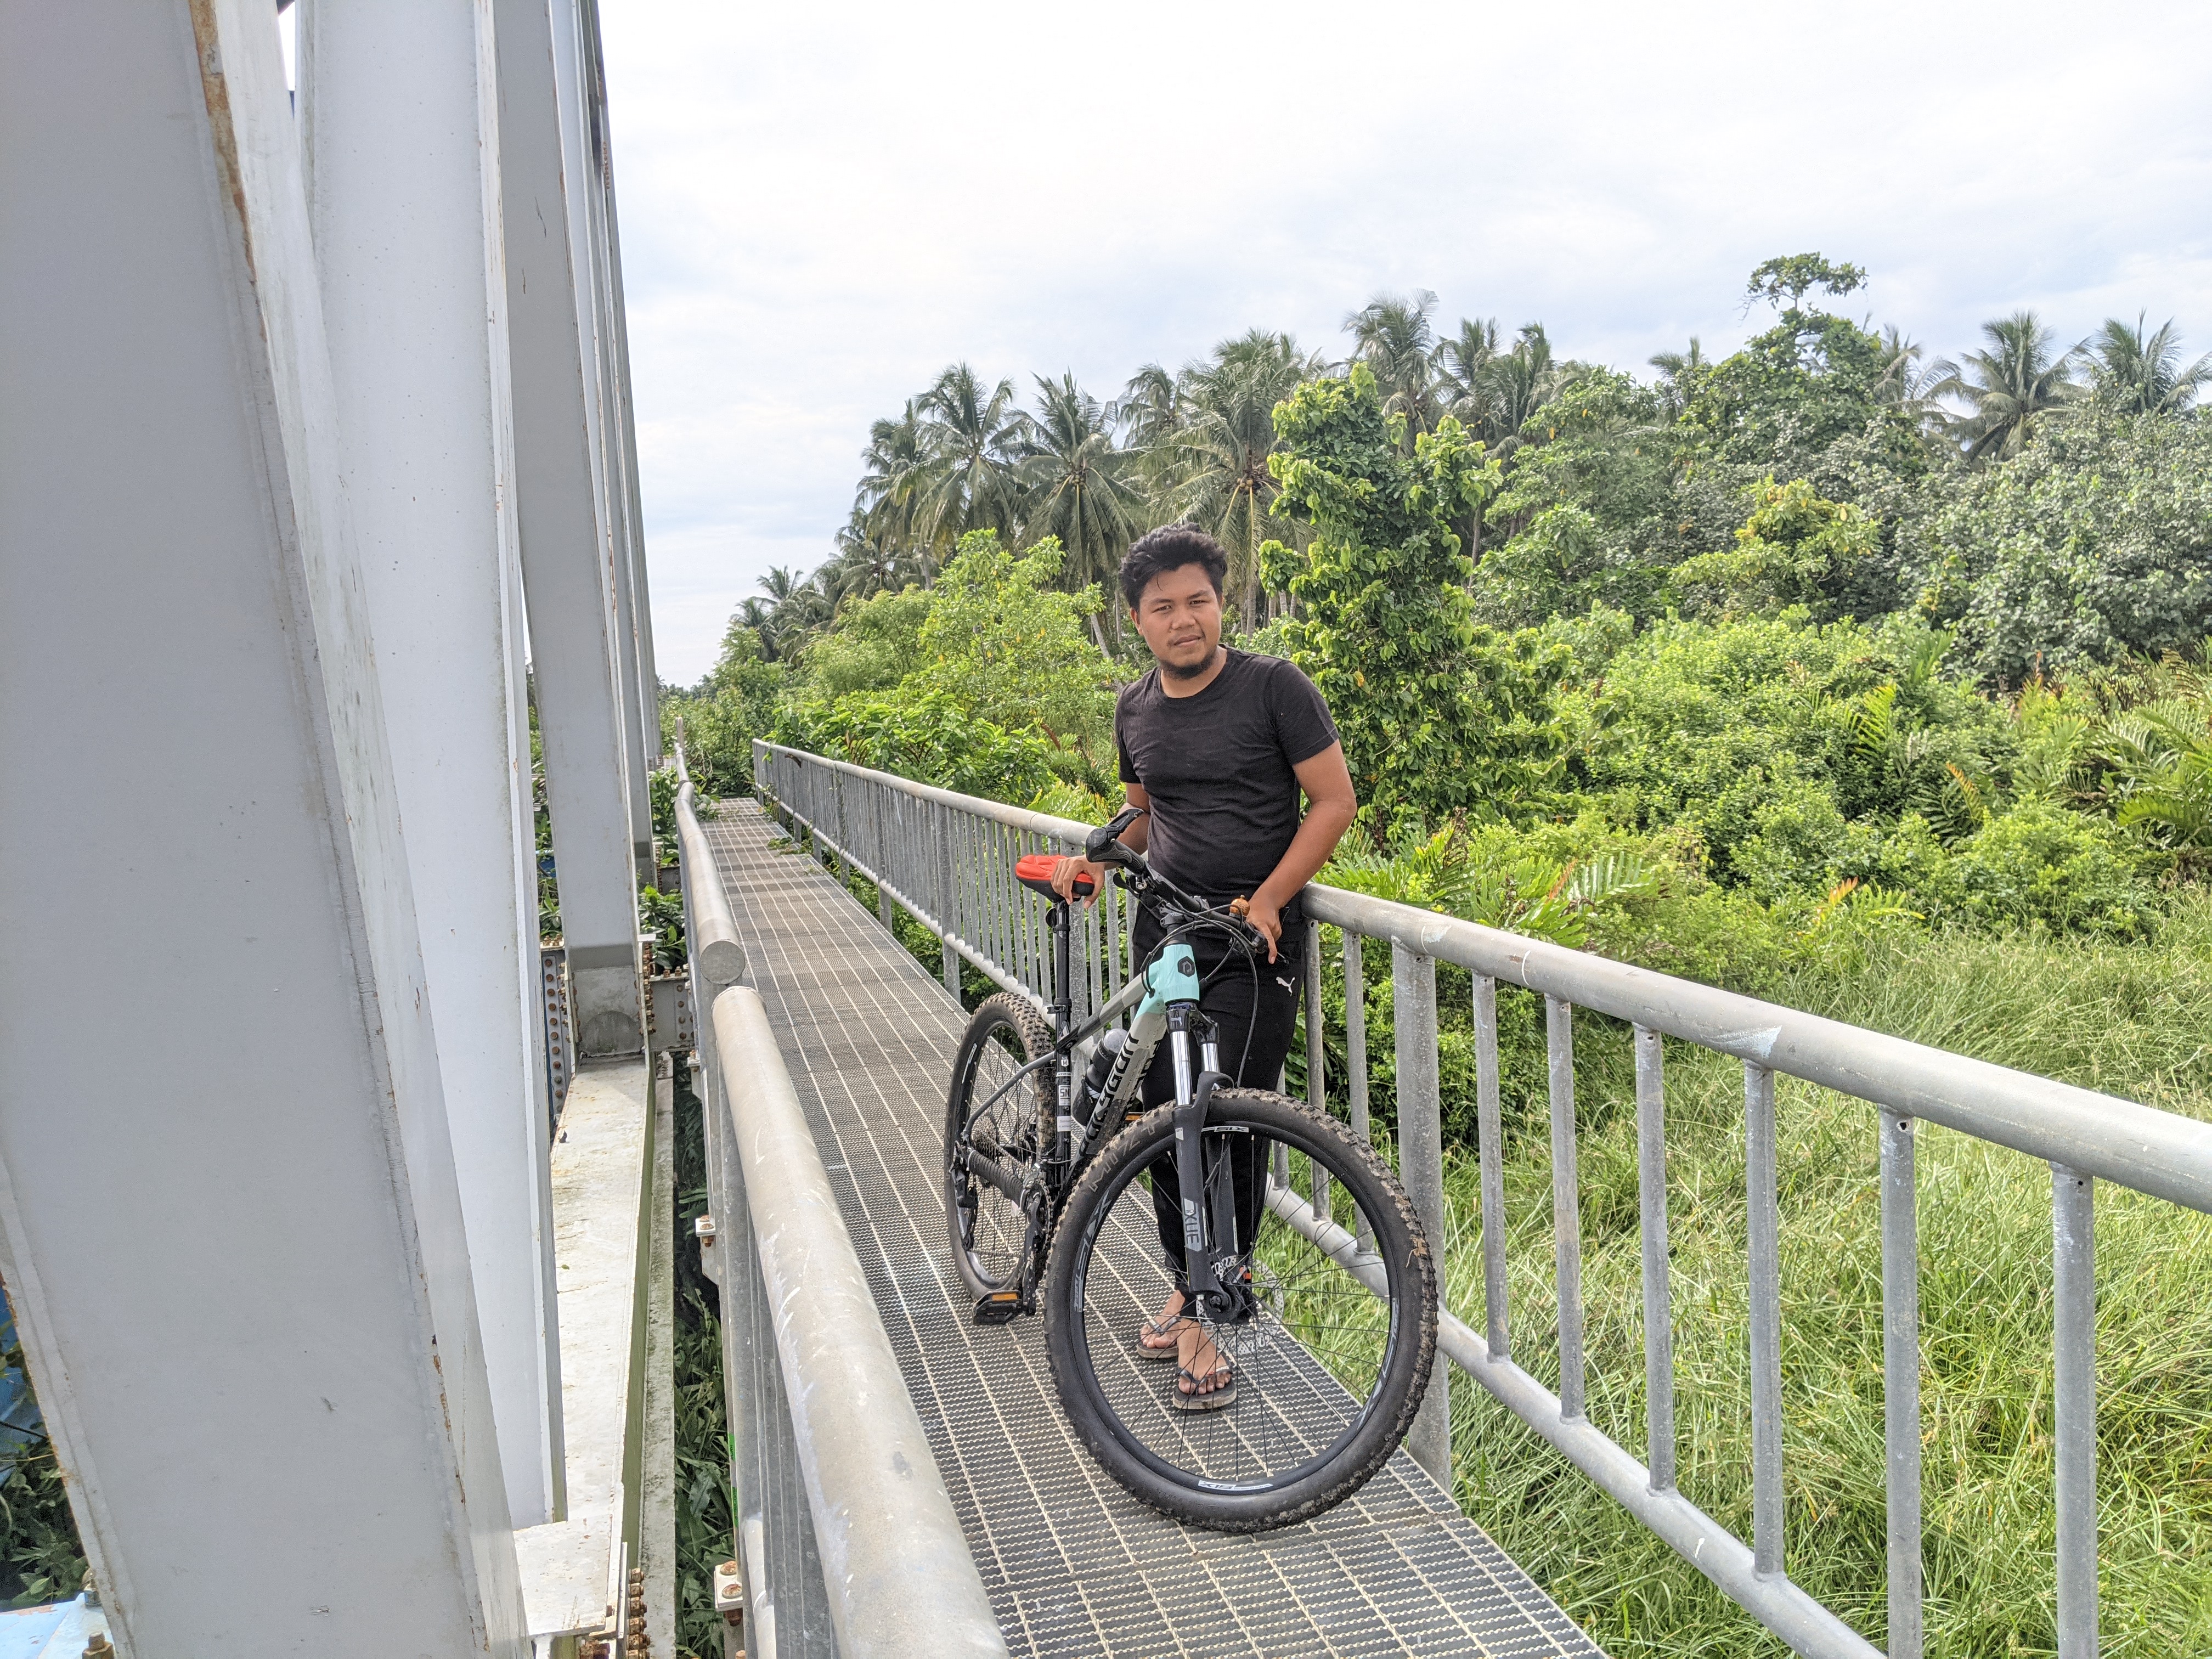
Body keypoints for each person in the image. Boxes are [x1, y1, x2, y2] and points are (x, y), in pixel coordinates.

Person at [1051, 525, 1356, 1410]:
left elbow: (1333, 801)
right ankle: (1190, 1285)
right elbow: (1145, 814)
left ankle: (1213, 1307)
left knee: (1226, 1120)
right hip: (1166, 935)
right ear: (1138, 620)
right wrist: (1094, 860)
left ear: (1222, 605)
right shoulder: (1135, 708)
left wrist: (1271, 898)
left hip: (1254, 944)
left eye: (1199, 601)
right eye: (1164, 607)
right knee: (1160, 1116)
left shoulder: (1274, 688)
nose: (1184, 619)